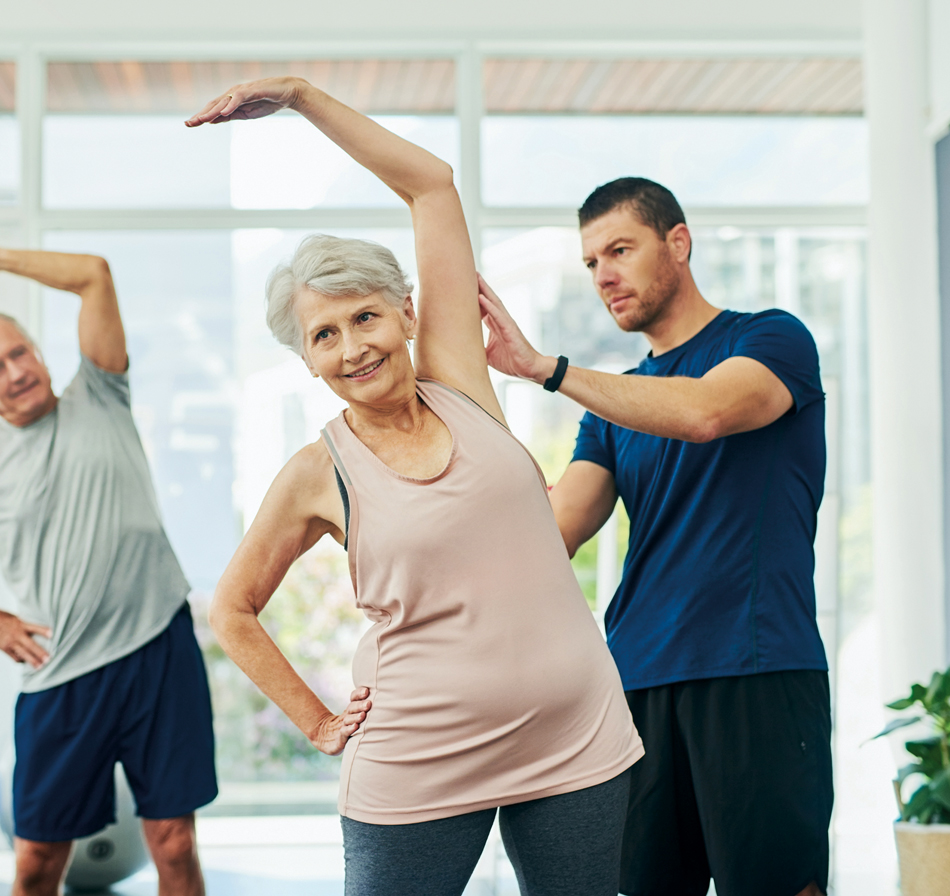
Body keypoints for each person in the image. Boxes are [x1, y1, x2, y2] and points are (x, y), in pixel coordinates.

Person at [190, 79, 643, 896]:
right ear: (307, 361)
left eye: (363, 317)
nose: (352, 347)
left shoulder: (459, 380)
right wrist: (319, 722)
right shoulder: (315, 472)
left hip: (574, 732)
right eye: (323, 336)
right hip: (420, 754)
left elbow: (431, 184)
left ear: (405, 313)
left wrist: (300, 97)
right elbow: (233, 607)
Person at [476, 177, 832, 896]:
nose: (603, 275)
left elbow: (705, 412)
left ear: (678, 243)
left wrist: (548, 370)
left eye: (619, 249)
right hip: (636, 683)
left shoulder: (770, 338)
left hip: (754, 671)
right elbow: (556, 530)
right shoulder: (609, 407)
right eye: (589, 263)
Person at [0, 249, 216, 896]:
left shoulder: (101, 394)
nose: (17, 371)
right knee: (38, 862)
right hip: (60, 676)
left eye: (21, 353)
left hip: (157, 650)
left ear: (39, 354)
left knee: (176, 844)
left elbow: (95, 274)